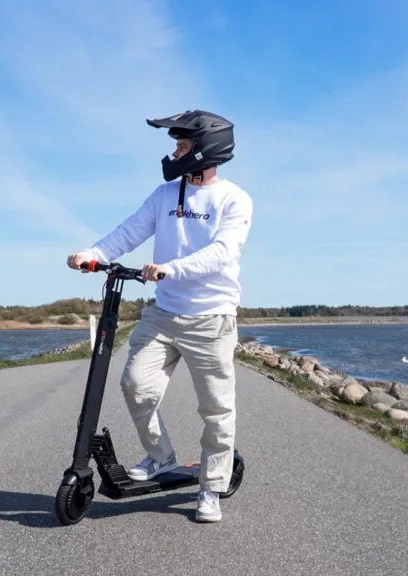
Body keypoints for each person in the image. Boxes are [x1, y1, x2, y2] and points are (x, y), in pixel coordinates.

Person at [66, 109, 253, 523]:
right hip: (164, 312)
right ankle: (161, 457)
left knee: (216, 409)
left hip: (211, 318)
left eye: (182, 145)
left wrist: (172, 268)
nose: (175, 152)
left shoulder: (235, 199)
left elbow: (223, 252)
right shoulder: (165, 195)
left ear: (205, 150)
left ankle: (211, 487)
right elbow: (129, 231)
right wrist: (93, 254)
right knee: (136, 385)